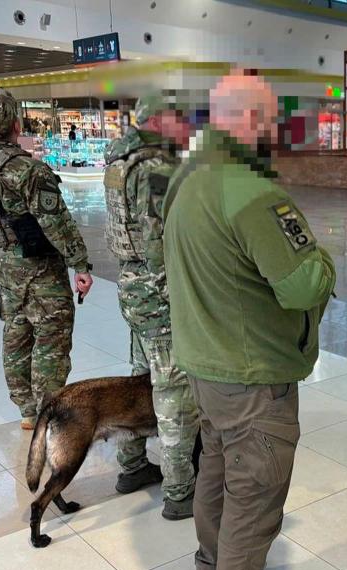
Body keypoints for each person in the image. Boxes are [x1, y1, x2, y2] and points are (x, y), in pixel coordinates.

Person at [162, 74, 335, 570]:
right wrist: (322, 256)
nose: (275, 130)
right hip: (251, 372)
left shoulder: (188, 176)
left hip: (205, 363)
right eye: (270, 119)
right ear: (253, 120)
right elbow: (303, 284)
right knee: (253, 499)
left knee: (215, 470)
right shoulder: (250, 190)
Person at [0, 90, 93, 430]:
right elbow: (57, 223)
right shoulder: (28, 170)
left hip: (3, 266)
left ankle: (27, 410)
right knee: (51, 335)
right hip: (39, 268)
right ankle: (49, 411)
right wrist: (80, 264)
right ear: (15, 125)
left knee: (16, 332)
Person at [102, 94, 200, 520]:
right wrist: (183, 293)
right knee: (174, 392)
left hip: (131, 287)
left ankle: (132, 466)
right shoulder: (157, 167)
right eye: (182, 119)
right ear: (160, 120)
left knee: (138, 381)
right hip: (160, 296)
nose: (188, 128)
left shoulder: (119, 160)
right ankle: (180, 491)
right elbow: (161, 241)